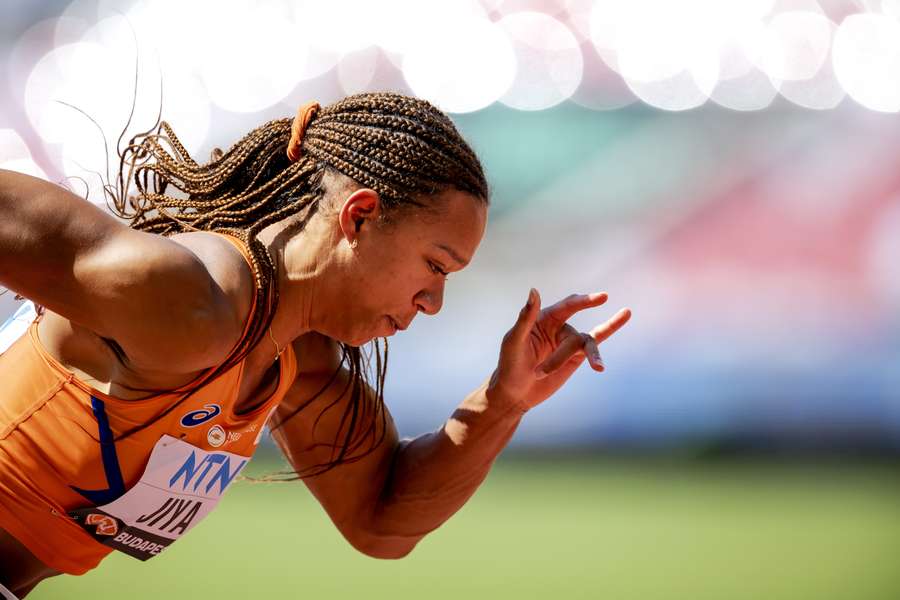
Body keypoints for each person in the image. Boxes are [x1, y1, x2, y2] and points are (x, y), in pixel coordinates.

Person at [0, 92, 630, 597]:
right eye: (436, 266)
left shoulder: (296, 361)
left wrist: (504, 402)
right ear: (357, 216)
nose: (433, 303)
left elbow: (381, 520)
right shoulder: (187, 306)